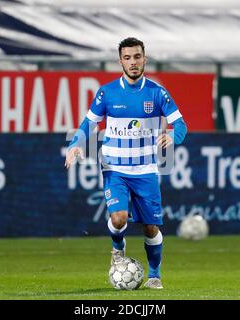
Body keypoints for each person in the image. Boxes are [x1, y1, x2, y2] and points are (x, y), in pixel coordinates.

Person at [65, 37, 187, 289]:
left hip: (146, 170)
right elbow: (89, 123)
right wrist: (74, 144)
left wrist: (173, 136)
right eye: (128, 58)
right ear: (120, 61)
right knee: (119, 218)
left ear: (145, 59)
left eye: (137, 57)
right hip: (115, 168)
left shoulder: (157, 93)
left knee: (151, 227)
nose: (133, 62)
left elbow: (181, 124)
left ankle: (154, 275)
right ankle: (117, 250)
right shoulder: (107, 92)